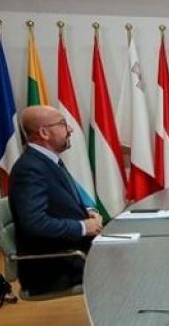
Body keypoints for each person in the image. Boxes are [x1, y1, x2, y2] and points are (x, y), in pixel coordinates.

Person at [8, 106, 103, 295]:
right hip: (56, 266)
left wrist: (89, 212)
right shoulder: (30, 168)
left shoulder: (47, 160)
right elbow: (35, 223)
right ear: (44, 133)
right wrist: (83, 227)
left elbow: (61, 202)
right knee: (126, 264)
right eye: (63, 124)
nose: (70, 129)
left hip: (75, 251)